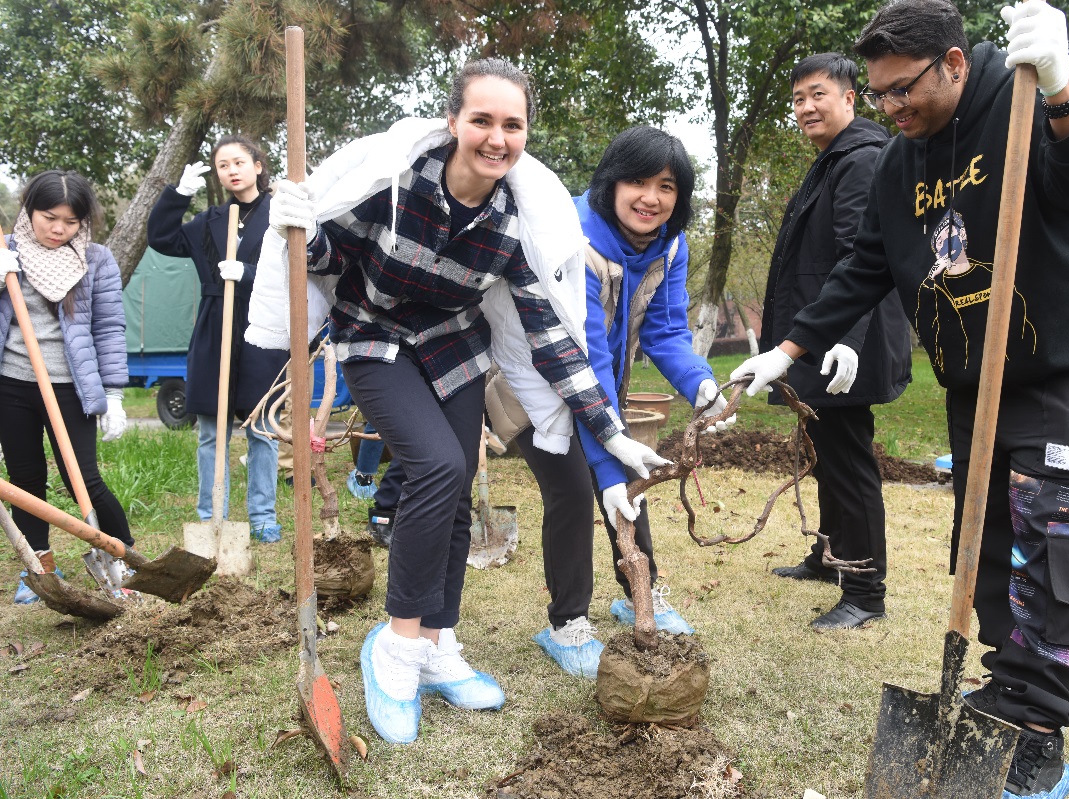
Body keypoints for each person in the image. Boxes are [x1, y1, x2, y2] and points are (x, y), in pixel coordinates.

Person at [731, 0, 1069, 797]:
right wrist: (788, 350)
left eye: (901, 89)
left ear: (953, 63)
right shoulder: (896, 161)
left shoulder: (1024, 98)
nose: (887, 107)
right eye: (877, 93)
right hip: (976, 374)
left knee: (1049, 531)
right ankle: (1003, 687)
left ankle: (1038, 730)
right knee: (985, 537)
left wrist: (1063, 85)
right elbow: (863, 266)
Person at [265, 58, 669, 745]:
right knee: (437, 467)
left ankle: (436, 644)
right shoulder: (395, 188)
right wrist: (302, 225)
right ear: (452, 121)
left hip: (453, 345)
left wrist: (610, 430)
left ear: (524, 134)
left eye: (512, 124)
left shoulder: (516, 224)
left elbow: (551, 337)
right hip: (374, 337)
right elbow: (335, 259)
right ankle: (394, 647)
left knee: (452, 496)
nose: (496, 137)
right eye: (481, 119)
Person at [505, 126, 734, 678]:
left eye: (667, 186)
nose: (650, 198)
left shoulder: (669, 245)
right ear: (610, 181)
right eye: (637, 180)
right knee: (574, 485)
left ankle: (640, 593)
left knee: (628, 481)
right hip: (538, 383)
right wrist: (611, 453)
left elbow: (667, 331)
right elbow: (584, 358)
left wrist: (704, 387)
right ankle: (566, 623)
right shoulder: (571, 237)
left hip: (603, 382)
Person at [760, 53, 911, 630]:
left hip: (849, 344)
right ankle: (830, 557)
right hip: (820, 340)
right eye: (798, 99)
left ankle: (866, 592)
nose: (806, 107)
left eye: (817, 94)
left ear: (850, 97)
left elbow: (859, 257)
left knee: (848, 461)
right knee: (823, 453)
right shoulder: (833, 161)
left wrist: (843, 339)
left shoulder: (862, 159)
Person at [147, 136, 290, 543]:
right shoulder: (210, 219)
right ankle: (213, 514)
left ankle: (263, 517)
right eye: (223, 164)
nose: (232, 170)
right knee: (212, 430)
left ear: (258, 166)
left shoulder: (278, 213)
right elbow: (161, 239)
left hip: (262, 327)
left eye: (239, 161)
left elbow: (297, 265)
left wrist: (246, 273)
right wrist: (178, 195)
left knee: (262, 427)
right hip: (215, 328)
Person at [0, 171, 134, 602]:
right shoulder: (6, 252)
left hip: (70, 387)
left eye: (71, 221)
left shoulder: (95, 259)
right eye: (49, 217)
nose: (59, 229)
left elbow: (110, 327)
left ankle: (123, 560)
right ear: (29, 211)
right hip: (11, 383)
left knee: (86, 479)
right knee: (24, 478)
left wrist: (113, 392)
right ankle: (39, 567)